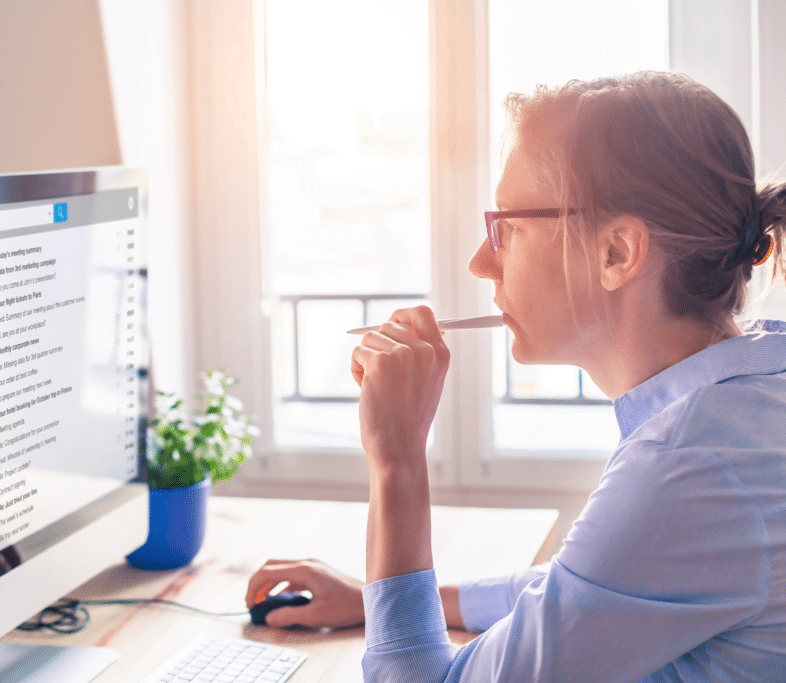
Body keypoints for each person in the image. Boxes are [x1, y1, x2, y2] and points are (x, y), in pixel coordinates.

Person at [245, 71, 786, 682]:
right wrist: (382, 600)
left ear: (617, 253)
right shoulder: (753, 395)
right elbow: (592, 589)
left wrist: (396, 459)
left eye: (508, 228)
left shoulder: (688, 467)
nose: (481, 262)